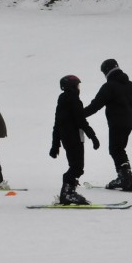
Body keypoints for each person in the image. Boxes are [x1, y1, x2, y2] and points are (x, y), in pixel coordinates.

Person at [83, 59, 132, 191]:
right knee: (119, 148)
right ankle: (126, 176)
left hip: (116, 123)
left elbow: (96, 104)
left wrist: (80, 115)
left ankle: (124, 178)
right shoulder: (130, 85)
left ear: (106, 71)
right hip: (129, 122)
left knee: (115, 149)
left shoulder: (109, 86)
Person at [51, 75, 100, 205]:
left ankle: (68, 192)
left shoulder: (61, 102)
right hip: (75, 138)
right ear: (72, 87)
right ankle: (67, 194)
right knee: (77, 167)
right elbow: (81, 121)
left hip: (66, 139)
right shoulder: (74, 100)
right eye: (77, 85)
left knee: (75, 166)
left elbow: (57, 125)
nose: (79, 88)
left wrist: (55, 145)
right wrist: (93, 137)